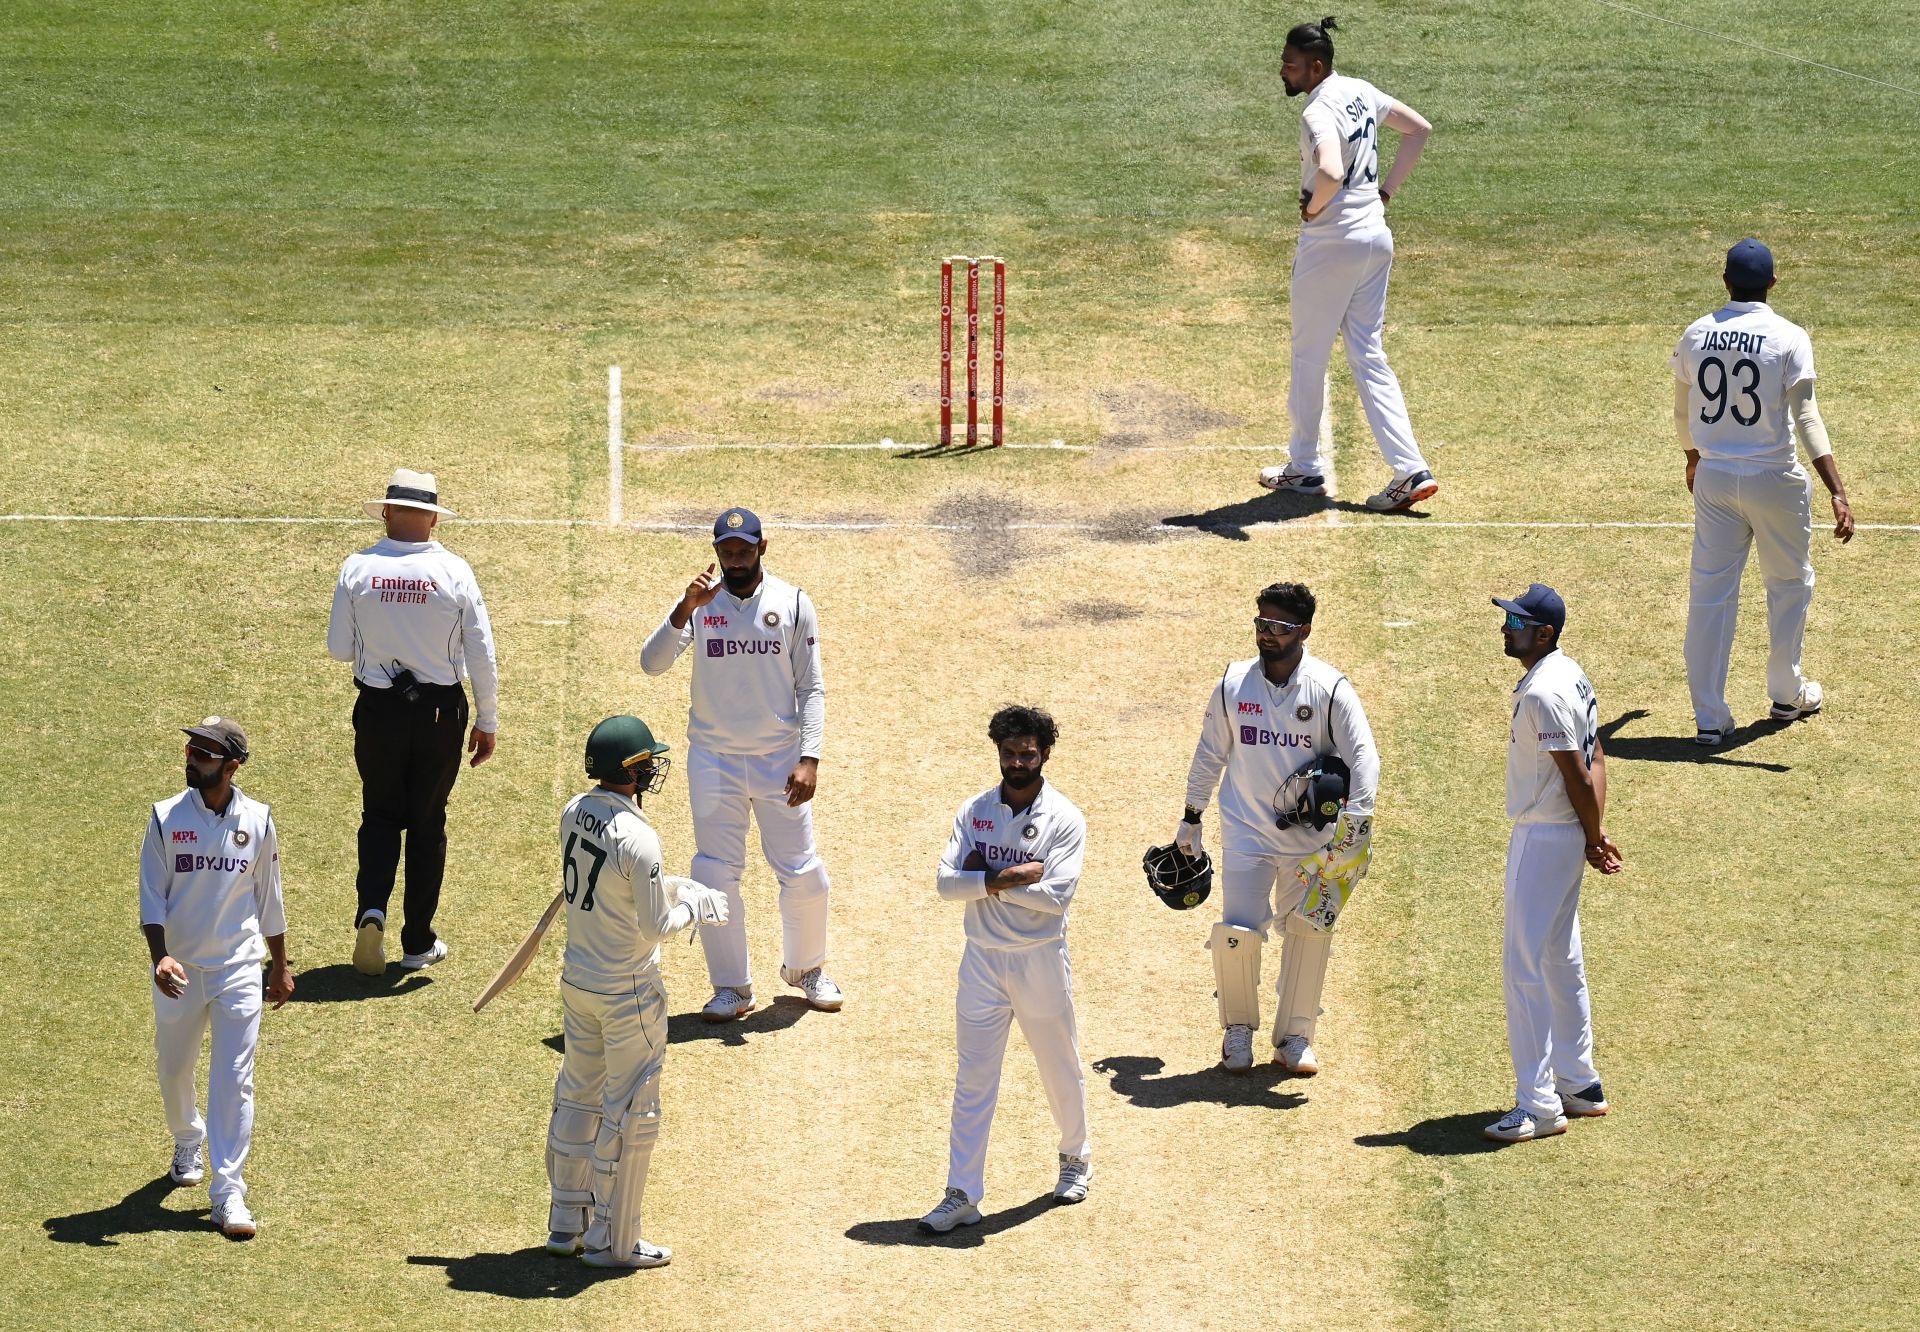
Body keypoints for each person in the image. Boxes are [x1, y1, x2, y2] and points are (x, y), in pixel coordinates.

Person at [639, 507, 842, 1020]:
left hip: (779, 761)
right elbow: (652, 663)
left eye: (743, 551)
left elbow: (811, 686)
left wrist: (809, 757)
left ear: (762, 548)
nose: (735, 561)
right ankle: (732, 987)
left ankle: (807, 970)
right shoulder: (701, 603)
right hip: (714, 759)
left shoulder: (793, 602)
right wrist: (684, 609)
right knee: (713, 874)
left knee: (802, 872)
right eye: (726, 552)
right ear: (716, 552)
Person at [545, 715, 728, 1269]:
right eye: (645, 760)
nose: (652, 767)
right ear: (628, 771)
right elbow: (653, 927)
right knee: (632, 1111)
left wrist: (667, 887)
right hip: (628, 992)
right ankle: (614, 1242)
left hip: (578, 983)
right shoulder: (641, 838)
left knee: (578, 1096)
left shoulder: (573, 812)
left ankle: (564, 1225)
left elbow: (609, 894)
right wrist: (694, 903)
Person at [1178, 582, 1380, 1075]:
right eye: (1261, 623)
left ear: (1304, 630)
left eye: (1279, 626)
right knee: (1237, 933)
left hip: (1311, 844)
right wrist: (1191, 816)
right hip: (1246, 833)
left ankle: (1295, 1037)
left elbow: (1363, 757)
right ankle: (1238, 1032)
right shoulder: (1233, 683)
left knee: (1308, 932)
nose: (1266, 634)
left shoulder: (1330, 688)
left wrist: (1355, 825)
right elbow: (1210, 752)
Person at [1673, 239, 1854, 745]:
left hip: (1714, 479)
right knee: (1789, 584)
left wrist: (1693, 460)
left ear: (1725, 281)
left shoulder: (1697, 333)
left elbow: (1682, 411)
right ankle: (1785, 692)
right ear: (1773, 283)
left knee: (1710, 595)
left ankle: (1708, 716)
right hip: (1774, 480)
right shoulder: (1789, 337)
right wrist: (1837, 491)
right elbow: (1807, 417)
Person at [1256, 16, 1439, 513]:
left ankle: (1304, 467)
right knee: (1367, 352)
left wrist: (1314, 205)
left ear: (1315, 67)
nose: (1283, 74)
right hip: (1375, 238)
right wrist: (1385, 193)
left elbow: (1332, 171)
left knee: (1308, 353)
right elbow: (1419, 129)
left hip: (1331, 245)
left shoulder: (1317, 113)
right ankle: (1409, 468)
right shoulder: (1360, 91)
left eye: (1290, 67)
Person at [920, 706, 1091, 1234]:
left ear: (1044, 755)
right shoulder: (975, 812)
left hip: (1039, 961)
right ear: (998, 752)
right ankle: (962, 1192)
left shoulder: (1065, 817)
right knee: (973, 1079)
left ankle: (1075, 1157)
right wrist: (1014, 874)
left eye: (1028, 754)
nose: (1018, 762)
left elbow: (1055, 898)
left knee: (1058, 1064)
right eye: (1010, 753)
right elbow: (946, 885)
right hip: (981, 963)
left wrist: (982, 877)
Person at [326, 467, 499, 974]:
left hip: (378, 710)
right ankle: (418, 941)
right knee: (427, 824)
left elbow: (339, 648)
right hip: (440, 714)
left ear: (385, 512)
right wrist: (487, 720)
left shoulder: (357, 568)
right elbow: (481, 651)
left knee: (379, 816)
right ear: (433, 520)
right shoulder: (454, 572)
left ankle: (371, 912)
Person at [139, 717, 294, 1238]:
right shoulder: (164, 818)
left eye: (204, 754)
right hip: (179, 971)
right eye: (190, 749)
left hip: (238, 970)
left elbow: (268, 897)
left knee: (234, 1080)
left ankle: (229, 1193)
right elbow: (152, 897)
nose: (191, 758)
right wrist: (161, 956)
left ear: (231, 766)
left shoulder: (259, 819)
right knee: (173, 1070)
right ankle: (187, 1136)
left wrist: (280, 965)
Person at [1486, 585, 1622, 1143]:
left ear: (1543, 633)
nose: (1505, 627)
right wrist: (1594, 833)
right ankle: (1580, 1083)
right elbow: (1596, 755)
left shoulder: (1543, 691)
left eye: (1515, 620)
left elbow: (1577, 771)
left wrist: (1593, 834)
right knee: (1560, 957)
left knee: (1523, 967)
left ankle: (1539, 1105)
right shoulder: (1571, 672)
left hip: (1544, 835)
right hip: (1567, 834)